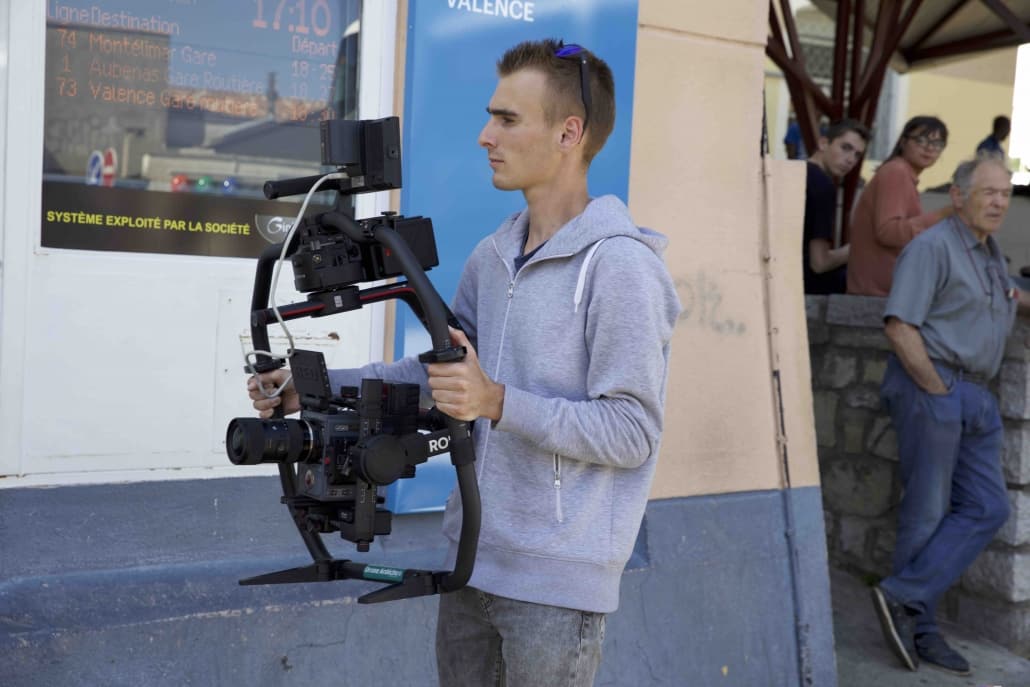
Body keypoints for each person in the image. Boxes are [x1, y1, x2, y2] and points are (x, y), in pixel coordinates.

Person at [248, 39, 680, 687]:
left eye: (507, 119)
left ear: (570, 132)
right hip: (470, 560)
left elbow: (632, 431)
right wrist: (307, 393)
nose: (485, 136)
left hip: (556, 585)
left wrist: (497, 401)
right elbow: (443, 377)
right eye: (490, 116)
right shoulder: (493, 254)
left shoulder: (620, 267)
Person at [872, 156, 1022, 676]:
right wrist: (937, 391)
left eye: (1005, 193)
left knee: (987, 506)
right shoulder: (932, 247)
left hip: (977, 397)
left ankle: (901, 596)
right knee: (927, 512)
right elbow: (899, 326)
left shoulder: (989, 254)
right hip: (934, 386)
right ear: (958, 197)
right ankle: (920, 630)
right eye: (989, 193)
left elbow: (999, 300)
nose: (1000, 202)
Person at [847, 116, 954, 296]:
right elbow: (888, 232)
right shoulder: (896, 172)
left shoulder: (901, 172)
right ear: (903, 142)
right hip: (876, 293)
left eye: (937, 144)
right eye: (921, 140)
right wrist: (943, 215)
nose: (929, 148)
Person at [802, 118, 870, 294]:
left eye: (857, 155)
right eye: (846, 148)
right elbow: (819, 263)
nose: (850, 160)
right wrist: (857, 248)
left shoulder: (796, 171)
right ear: (824, 143)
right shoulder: (822, 186)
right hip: (802, 289)